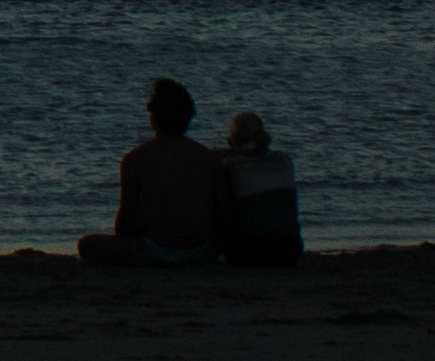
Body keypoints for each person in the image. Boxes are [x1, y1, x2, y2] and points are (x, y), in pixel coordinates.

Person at [81, 77, 236, 267]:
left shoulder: (136, 158)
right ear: (188, 118)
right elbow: (226, 213)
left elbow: (124, 222)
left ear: (154, 118)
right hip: (202, 251)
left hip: (155, 251)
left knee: (88, 244)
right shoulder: (209, 158)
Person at [216, 109, 305, 262]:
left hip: (249, 249)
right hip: (290, 249)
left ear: (232, 141)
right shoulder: (284, 160)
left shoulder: (231, 165)